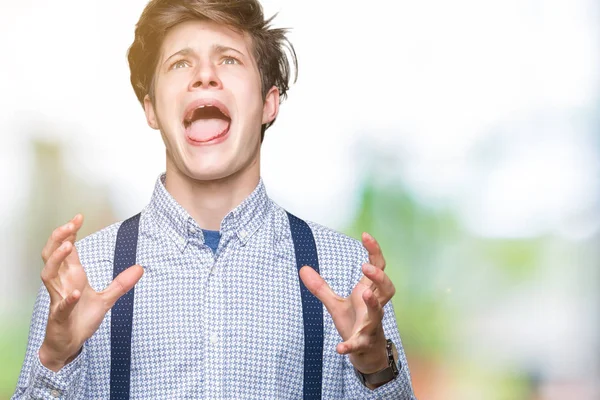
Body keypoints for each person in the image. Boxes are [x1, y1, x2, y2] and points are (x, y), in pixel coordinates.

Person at [12, 0, 416, 398]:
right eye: (180, 63)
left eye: (228, 60)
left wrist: (377, 369)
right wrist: (55, 359)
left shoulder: (343, 273)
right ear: (151, 109)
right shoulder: (84, 278)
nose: (204, 75)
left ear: (268, 102)